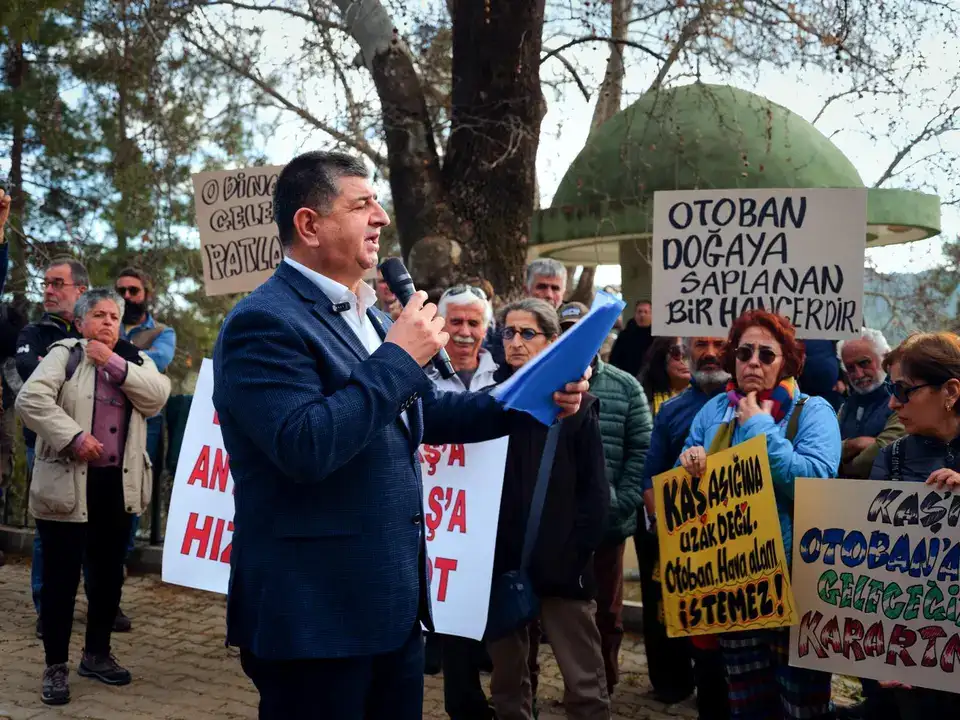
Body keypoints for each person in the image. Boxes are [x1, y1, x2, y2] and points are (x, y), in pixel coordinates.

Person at [211, 150, 590, 720]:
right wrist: (398, 358)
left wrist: (535, 398)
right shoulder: (262, 322)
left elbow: (430, 412)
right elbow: (304, 445)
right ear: (309, 225)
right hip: (317, 618)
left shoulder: (366, 316)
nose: (382, 217)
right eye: (362, 204)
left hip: (392, 610)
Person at [678, 310, 841, 720]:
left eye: (766, 354)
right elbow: (688, 478)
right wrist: (690, 461)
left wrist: (759, 428)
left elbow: (814, 480)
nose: (753, 361)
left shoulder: (813, 411)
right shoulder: (714, 410)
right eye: (744, 352)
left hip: (796, 583)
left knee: (801, 705)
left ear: (785, 360)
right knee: (747, 702)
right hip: (736, 583)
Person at [16, 288, 171, 706]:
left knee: (106, 581)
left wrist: (115, 363)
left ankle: (97, 655)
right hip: (68, 482)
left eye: (114, 317)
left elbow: (157, 397)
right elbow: (30, 399)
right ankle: (54, 666)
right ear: (81, 322)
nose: (107, 323)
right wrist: (72, 437)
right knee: (61, 581)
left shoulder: (135, 358)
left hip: (116, 488)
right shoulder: (64, 353)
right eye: (98, 315)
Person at [487, 298, 611, 720]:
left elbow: (596, 494)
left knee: (584, 685)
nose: (516, 342)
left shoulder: (577, 408)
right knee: (508, 685)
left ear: (553, 342)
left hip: (564, 568)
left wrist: (576, 556)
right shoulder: (490, 402)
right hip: (503, 564)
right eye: (508, 332)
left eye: (527, 333)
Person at [558, 301, 651, 697]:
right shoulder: (545, 380)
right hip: (558, 525)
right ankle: (572, 684)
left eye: (583, 329)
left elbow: (641, 450)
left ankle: (607, 681)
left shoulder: (626, 386)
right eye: (567, 328)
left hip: (609, 523)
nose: (575, 336)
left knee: (609, 612)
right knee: (561, 610)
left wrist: (621, 500)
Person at [865, 333, 960, 720]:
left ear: (950, 391)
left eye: (903, 390)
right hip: (913, 654)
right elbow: (873, 560)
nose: (892, 403)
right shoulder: (892, 457)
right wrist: (883, 651)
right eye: (890, 389)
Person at [637, 337, 731, 717]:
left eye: (719, 344)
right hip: (687, 547)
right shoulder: (671, 410)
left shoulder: (759, 406)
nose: (709, 353)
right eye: (700, 345)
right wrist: (666, 529)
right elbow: (650, 478)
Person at [429, 284, 498, 720]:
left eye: (474, 323)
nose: (466, 332)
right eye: (456, 322)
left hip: (493, 516)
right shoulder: (419, 374)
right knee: (452, 617)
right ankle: (464, 703)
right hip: (442, 520)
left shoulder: (509, 374)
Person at [17, 258, 88, 639]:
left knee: (96, 529)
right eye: (45, 283)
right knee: (50, 531)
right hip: (44, 448)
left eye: (58, 283)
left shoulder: (100, 327)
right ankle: (48, 609)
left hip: (94, 450)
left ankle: (101, 602)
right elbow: (31, 371)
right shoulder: (34, 329)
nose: (48, 290)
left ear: (80, 289)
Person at [113, 267, 177, 631]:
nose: (125, 297)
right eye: (120, 289)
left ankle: (117, 574)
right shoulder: (108, 321)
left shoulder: (162, 332)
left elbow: (156, 364)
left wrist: (111, 350)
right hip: (101, 419)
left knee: (132, 492)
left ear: (146, 294)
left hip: (144, 421)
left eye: (133, 290)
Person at [837, 328, 904, 479]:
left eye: (864, 363)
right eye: (850, 368)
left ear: (885, 358)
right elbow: (825, 449)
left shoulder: (902, 398)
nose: (858, 374)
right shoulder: (847, 406)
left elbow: (883, 453)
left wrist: (841, 464)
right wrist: (855, 444)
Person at [639, 337, 691, 414]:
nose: (684, 361)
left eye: (688, 353)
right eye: (676, 353)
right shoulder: (640, 396)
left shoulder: (706, 395)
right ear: (661, 358)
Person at [608, 301, 653, 378]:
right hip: (627, 378)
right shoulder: (625, 335)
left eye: (646, 312)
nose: (642, 315)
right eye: (639, 312)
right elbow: (614, 359)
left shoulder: (657, 337)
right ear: (635, 314)